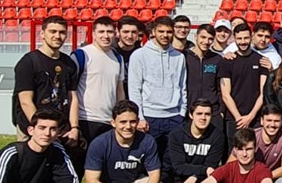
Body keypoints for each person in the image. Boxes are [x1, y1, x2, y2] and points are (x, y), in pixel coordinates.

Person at [83, 100, 170, 183]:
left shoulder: (147, 141)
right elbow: (91, 181)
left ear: (138, 121)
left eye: (132, 121)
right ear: (113, 123)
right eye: (123, 122)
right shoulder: (99, 143)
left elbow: (154, 174)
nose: (128, 126)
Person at [128, 15, 187, 164]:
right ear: (153, 31)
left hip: (174, 117)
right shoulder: (139, 55)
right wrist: (140, 117)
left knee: (171, 161)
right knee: (147, 160)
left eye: (168, 32)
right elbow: (135, 88)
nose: (165, 35)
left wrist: (182, 112)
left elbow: (182, 87)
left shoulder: (179, 57)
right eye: (161, 31)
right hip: (149, 117)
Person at [12, 14, 80, 145]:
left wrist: (74, 128)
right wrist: (41, 128)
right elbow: (25, 101)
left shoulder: (68, 63)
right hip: (31, 130)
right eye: (52, 31)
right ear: (42, 34)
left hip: (60, 130)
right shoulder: (29, 62)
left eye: (62, 32)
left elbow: (73, 98)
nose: (57, 36)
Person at [164, 99, 225, 183]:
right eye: (199, 114)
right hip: (181, 178)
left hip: (204, 178)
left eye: (207, 114)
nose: (203, 118)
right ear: (191, 115)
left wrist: (194, 176)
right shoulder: (176, 134)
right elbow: (179, 167)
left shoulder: (217, 136)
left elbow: (211, 166)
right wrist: (202, 170)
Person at [72, 16, 124, 145]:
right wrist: (74, 124)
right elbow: (71, 90)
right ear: (93, 34)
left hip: (109, 121)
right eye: (101, 32)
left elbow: (119, 89)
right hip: (86, 119)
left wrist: (121, 115)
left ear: (115, 34)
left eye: (110, 32)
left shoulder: (118, 58)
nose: (106, 36)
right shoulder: (81, 55)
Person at [220, 20, 268, 147]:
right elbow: (225, 94)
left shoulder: (261, 60)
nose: (243, 42)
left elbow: (264, 93)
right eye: (239, 38)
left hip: (255, 118)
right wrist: (239, 118)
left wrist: (250, 116)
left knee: (254, 153)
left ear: (251, 37)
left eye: (246, 38)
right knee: (233, 156)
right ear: (234, 39)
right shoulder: (227, 61)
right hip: (233, 119)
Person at [184, 24, 224, 124]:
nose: (206, 42)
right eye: (203, 37)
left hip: (212, 112)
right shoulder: (184, 57)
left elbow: (221, 87)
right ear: (196, 37)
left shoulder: (217, 59)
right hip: (189, 111)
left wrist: (221, 111)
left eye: (210, 39)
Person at [252, 104, 282, 183]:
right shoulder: (251, 136)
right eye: (269, 120)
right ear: (262, 121)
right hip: (250, 176)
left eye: (276, 121)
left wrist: (263, 177)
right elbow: (232, 161)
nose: (272, 124)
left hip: (273, 176)